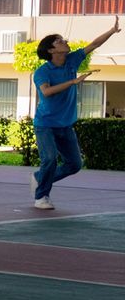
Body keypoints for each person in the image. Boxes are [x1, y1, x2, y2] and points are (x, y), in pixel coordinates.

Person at [29, 19, 117, 210]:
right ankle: (41, 196)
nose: (65, 41)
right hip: (45, 124)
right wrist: (73, 82)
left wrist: (112, 30)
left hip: (65, 124)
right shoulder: (42, 72)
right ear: (51, 50)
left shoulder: (72, 60)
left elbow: (93, 44)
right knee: (50, 159)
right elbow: (46, 92)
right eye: (60, 41)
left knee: (74, 165)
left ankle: (39, 177)